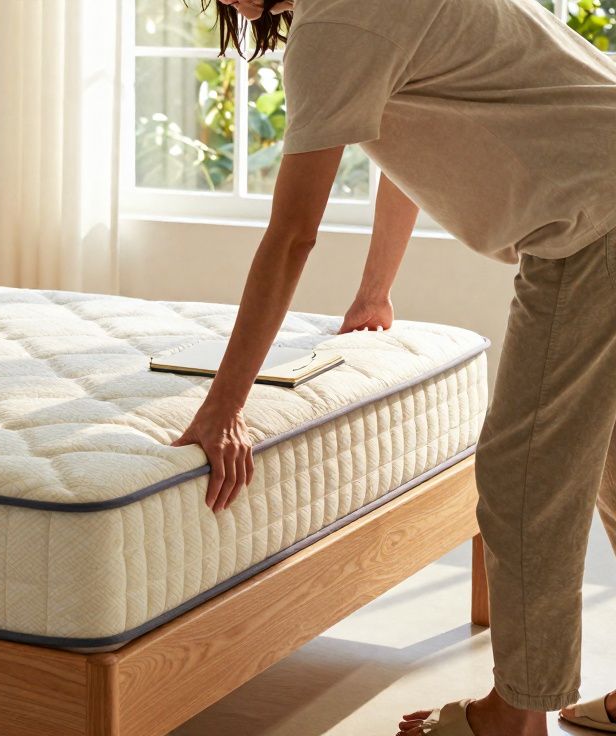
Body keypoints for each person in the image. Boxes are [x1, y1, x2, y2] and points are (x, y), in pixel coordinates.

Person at [177, 0, 616, 733]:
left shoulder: (333, 27)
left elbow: (291, 237)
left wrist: (224, 406)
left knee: (524, 476)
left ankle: (510, 717)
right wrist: (376, 291)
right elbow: (407, 148)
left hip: (593, 222)